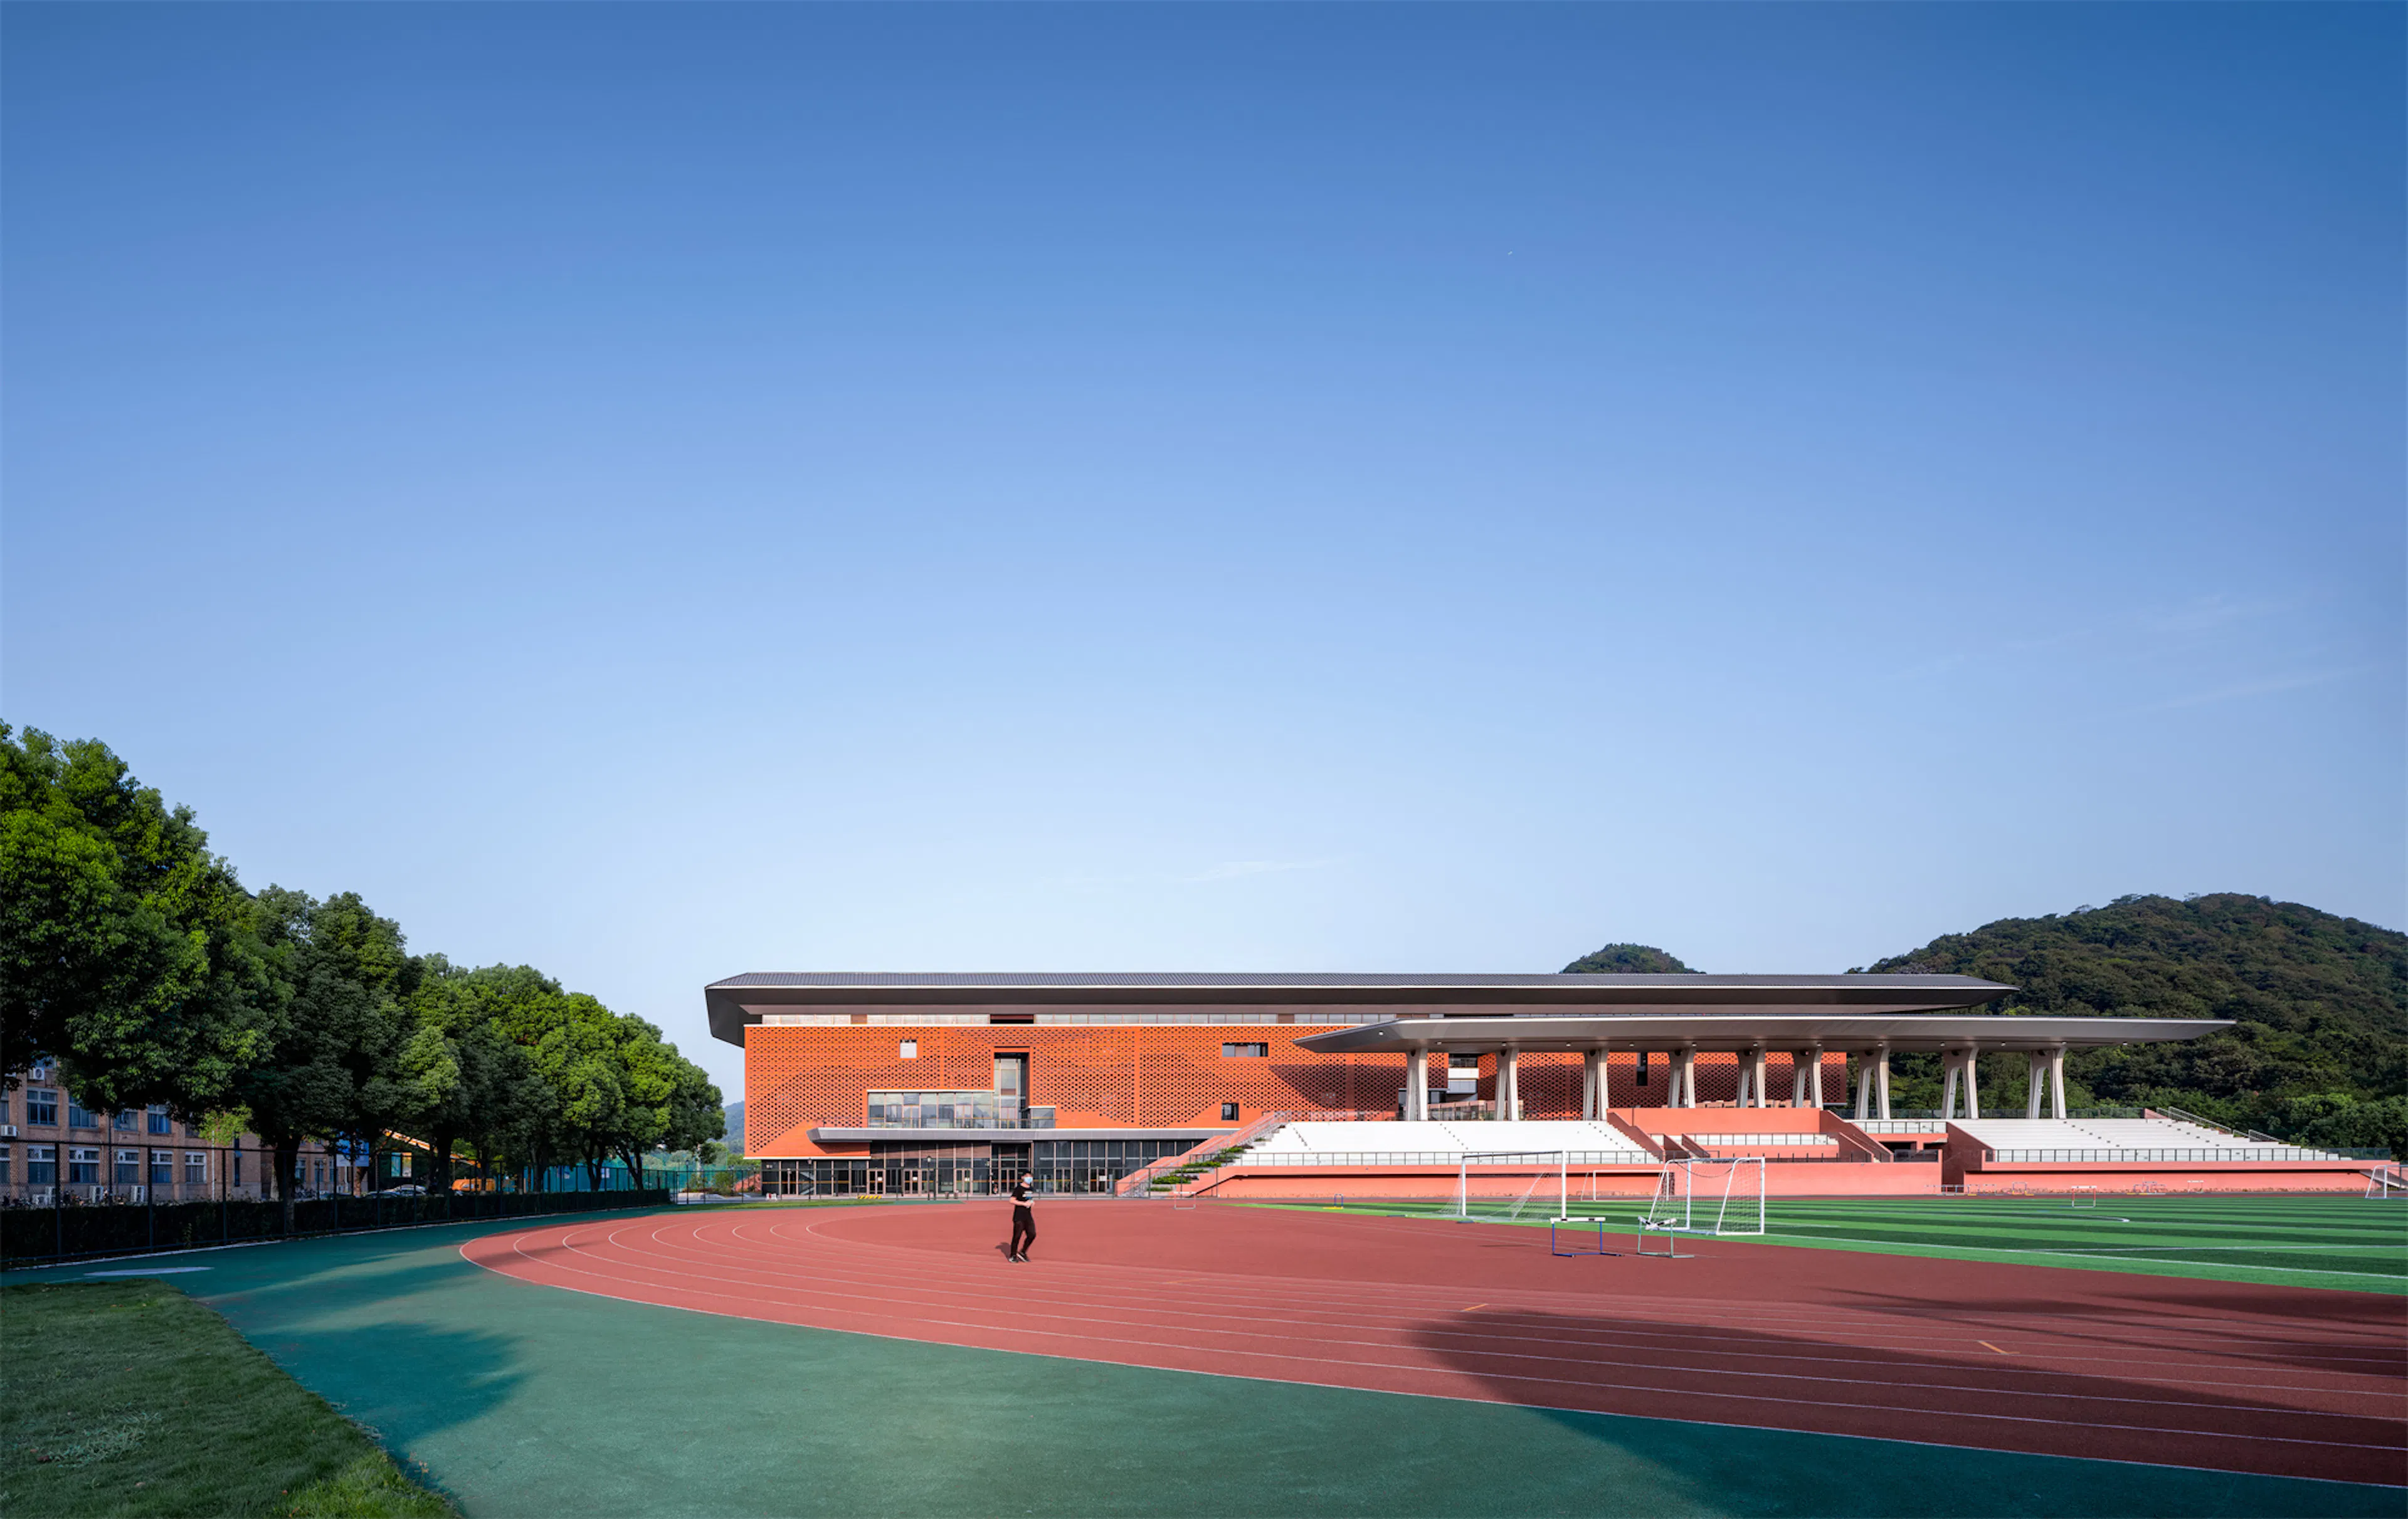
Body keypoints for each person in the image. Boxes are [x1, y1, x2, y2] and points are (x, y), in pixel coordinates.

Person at [1008, 1172, 1037, 1262]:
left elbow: (1030, 1199)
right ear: (1023, 1178)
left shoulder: (1031, 1189)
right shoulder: (1019, 1189)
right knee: (1017, 1236)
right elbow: (1012, 1200)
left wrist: (1032, 1202)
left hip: (1028, 1216)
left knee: (1032, 1234)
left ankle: (1023, 1252)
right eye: (1028, 1177)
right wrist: (1023, 1204)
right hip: (1019, 1216)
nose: (1030, 1179)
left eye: (1031, 1177)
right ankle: (1013, 1255)